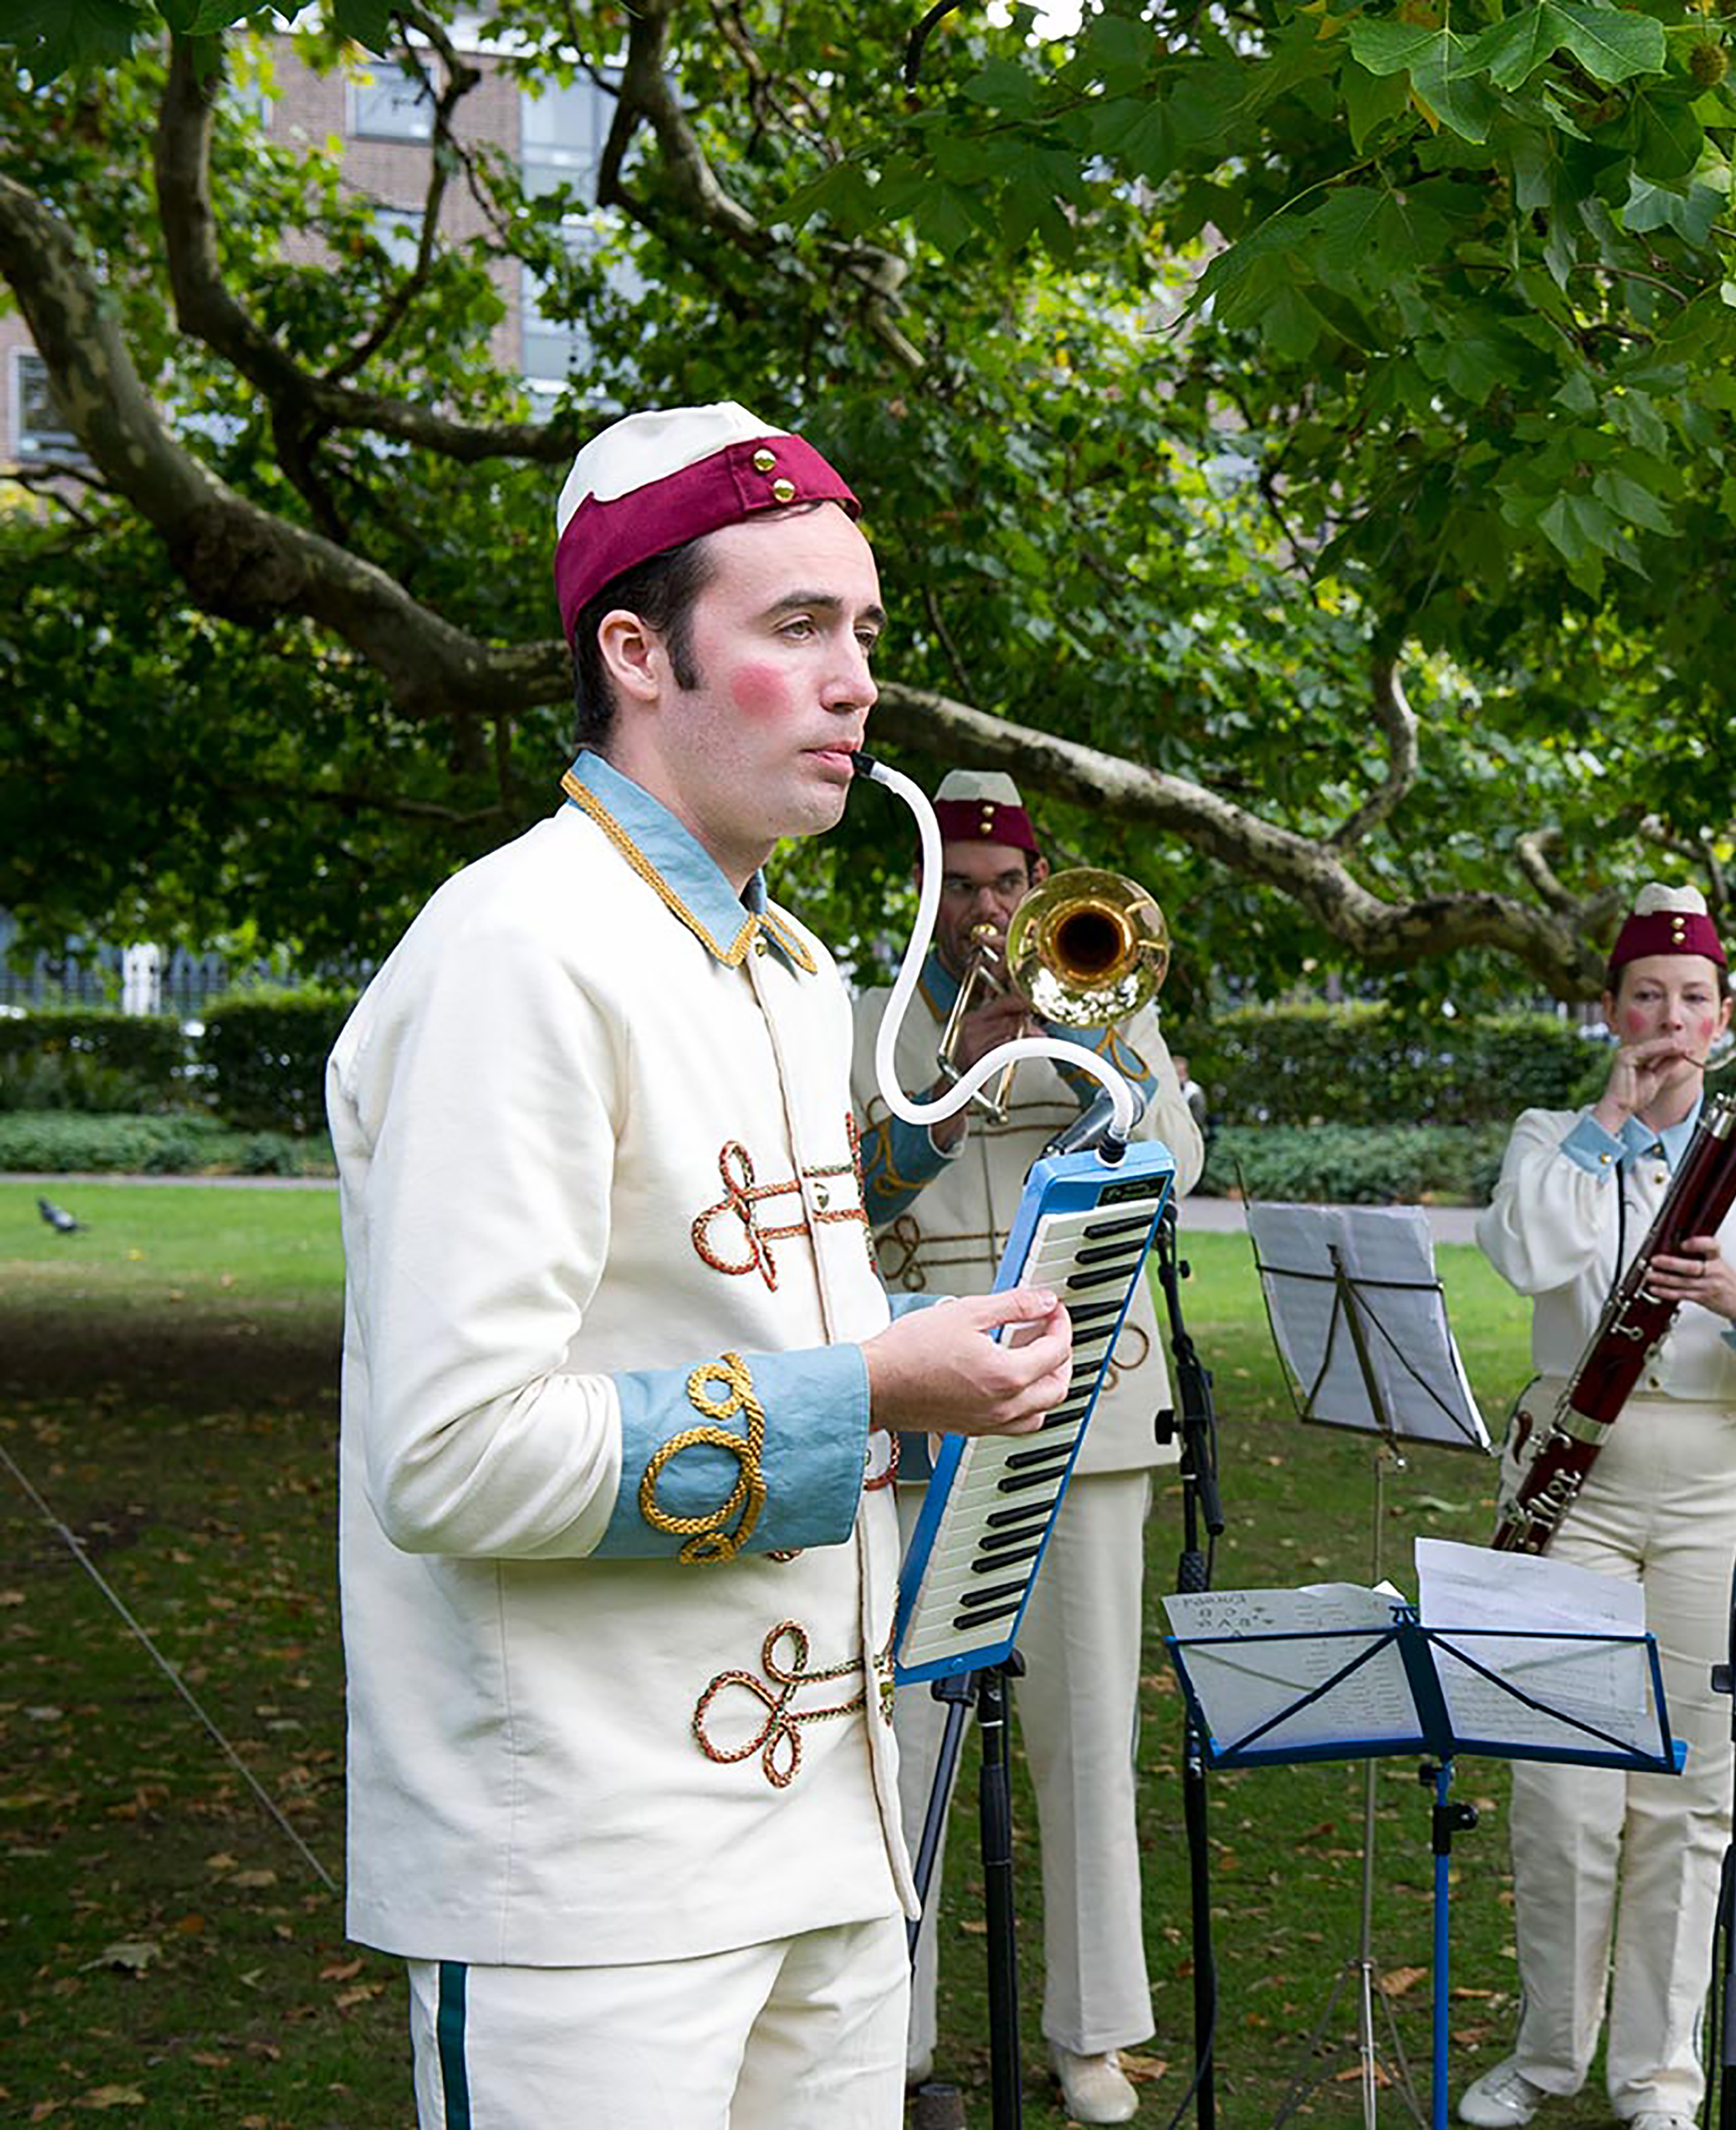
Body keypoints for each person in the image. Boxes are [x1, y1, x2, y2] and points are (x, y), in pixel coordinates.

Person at [328, 403, 1093, 2127]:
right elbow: (452, 1452)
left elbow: (743, 1329)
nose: (854, 684)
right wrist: (868, 1388)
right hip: (582, 1879)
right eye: (795, 627)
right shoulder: (518, 946)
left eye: (866, 634)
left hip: (820, 1834)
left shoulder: (786, 964)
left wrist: (916, 1361)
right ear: (636, 651)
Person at [1457, 886, 1736, 2130]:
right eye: (1646, 996)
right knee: (1559, 1782)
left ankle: (1657, 2075)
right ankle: (1549, 2053)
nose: (1669, 1020)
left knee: (1685, 1788)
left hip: (1713, 1490)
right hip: (1574, 1482)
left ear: (1726, 1017)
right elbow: (1528, 1255)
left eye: (1693, 1000)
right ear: (1610, 1009)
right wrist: (1609, 1123)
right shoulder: (1552, 1132)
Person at [850, 774, 1205, 2125]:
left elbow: (1168, 1172)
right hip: (924, 1389)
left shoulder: (1111, 995)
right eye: (965, 885)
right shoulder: (864, 1022)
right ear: (929, 893)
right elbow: (846, 1193)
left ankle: (1093, 2032)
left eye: (1009, 885)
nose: (989, 910)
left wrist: (1089, 1044)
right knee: (908, 1737)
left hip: (1090, 1405)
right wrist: (952, 1073)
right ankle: (895, 2029)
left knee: (1086, 1726)